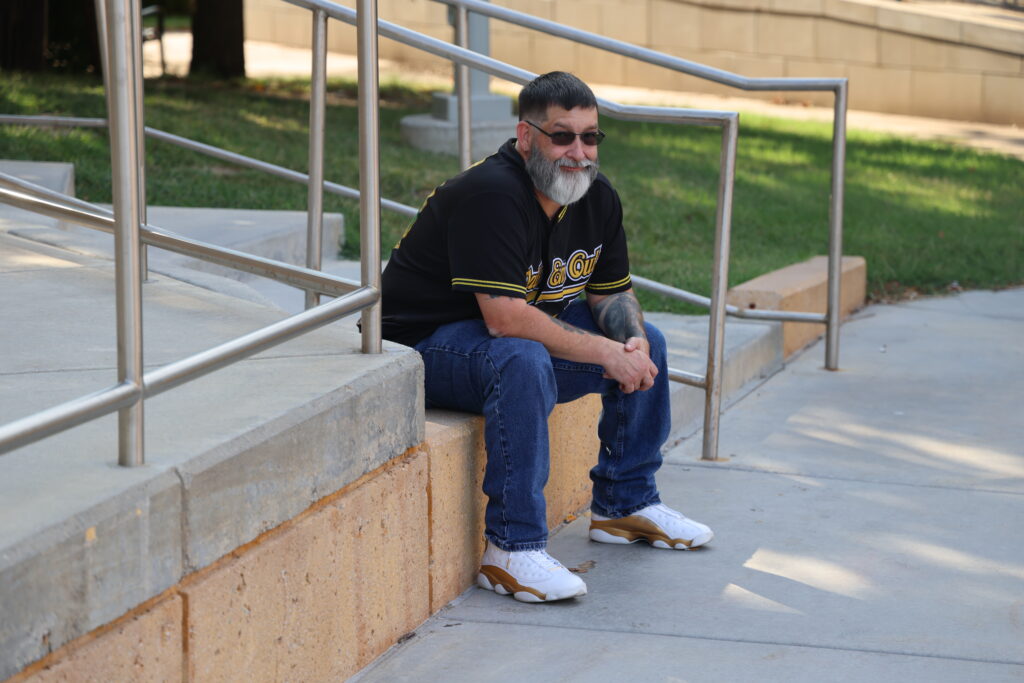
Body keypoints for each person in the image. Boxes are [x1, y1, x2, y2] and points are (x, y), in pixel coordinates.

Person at [381, 71, 713, 603]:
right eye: (562, 135)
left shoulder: (596, 197)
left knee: (647, 334)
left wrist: (630, 343)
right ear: (526, 136)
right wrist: (606, 353)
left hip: (501, 342)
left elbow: (610, 295)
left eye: (589, 137)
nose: (578, 152)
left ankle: (624, 503)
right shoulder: (490, 195)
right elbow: (505, 319)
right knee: (520, 358)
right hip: (415, 348)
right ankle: (510, 549)